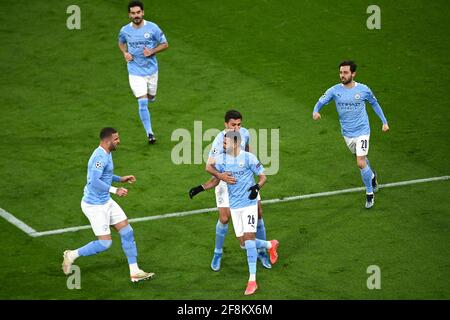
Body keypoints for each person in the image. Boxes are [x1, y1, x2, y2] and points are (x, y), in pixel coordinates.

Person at [62, 127, 154, 282]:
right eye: (116, 139)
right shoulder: (99, 157)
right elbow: (94, 181)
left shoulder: (107, 153)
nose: (119, 141)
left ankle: (135, 271)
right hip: (94, 206)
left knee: (127, 232)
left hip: (105, 201)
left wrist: (121, 179)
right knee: (105, 243)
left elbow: (106, 175)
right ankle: (71, 255)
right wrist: (115, 190)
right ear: (107, 141)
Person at [188, 110, 272, 271]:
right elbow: (209, 167)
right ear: (226, 124)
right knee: (225, 218)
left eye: (239, 124)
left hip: (243, 179)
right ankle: (217, 253)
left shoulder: (244, 133)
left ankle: (262, 252)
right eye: (233, 125)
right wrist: (221, 176)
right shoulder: (220, 141)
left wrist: (250, 168)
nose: (237, 128)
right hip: (223, 178)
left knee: (259, 213)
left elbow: (248, 152)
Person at [312, 60, 389, 208]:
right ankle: (372, 177)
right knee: (362, 159)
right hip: (347, 133)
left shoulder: (364, 90)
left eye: (345, 72)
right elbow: (320, 102)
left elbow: (374, 103)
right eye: (341, 72)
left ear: (353, 74)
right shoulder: (334, 90)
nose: (342, 75)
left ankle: (369, 193)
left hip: (363, 131)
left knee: (360, 162)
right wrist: (315, 111)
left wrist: (384, 122)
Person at [211, 131, 278, 295]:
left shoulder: (249, 158)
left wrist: (257, 187)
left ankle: (252, 280)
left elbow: (263, 177)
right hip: (234, 206)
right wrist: (200, 188)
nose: (223, 144)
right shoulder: (221, 159)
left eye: (226, 142)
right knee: (242, 242)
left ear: (235, 143)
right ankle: (270, 244)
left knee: (248, 241)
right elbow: (215, 178)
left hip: (249, 203)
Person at [118, 1, 169, 144]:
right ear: (129, 14)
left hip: (152, 70)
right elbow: (121, 42)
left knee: (151, 97)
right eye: (133, 13)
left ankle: (150, 96)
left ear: (143, 13)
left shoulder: (153, 28)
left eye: (138, 12)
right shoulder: (125, 30)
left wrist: (152, 51)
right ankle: (150, 133)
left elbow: (165, 44)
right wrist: (125, 53)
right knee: (142, 102)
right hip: (134, 71)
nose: (136, 15)